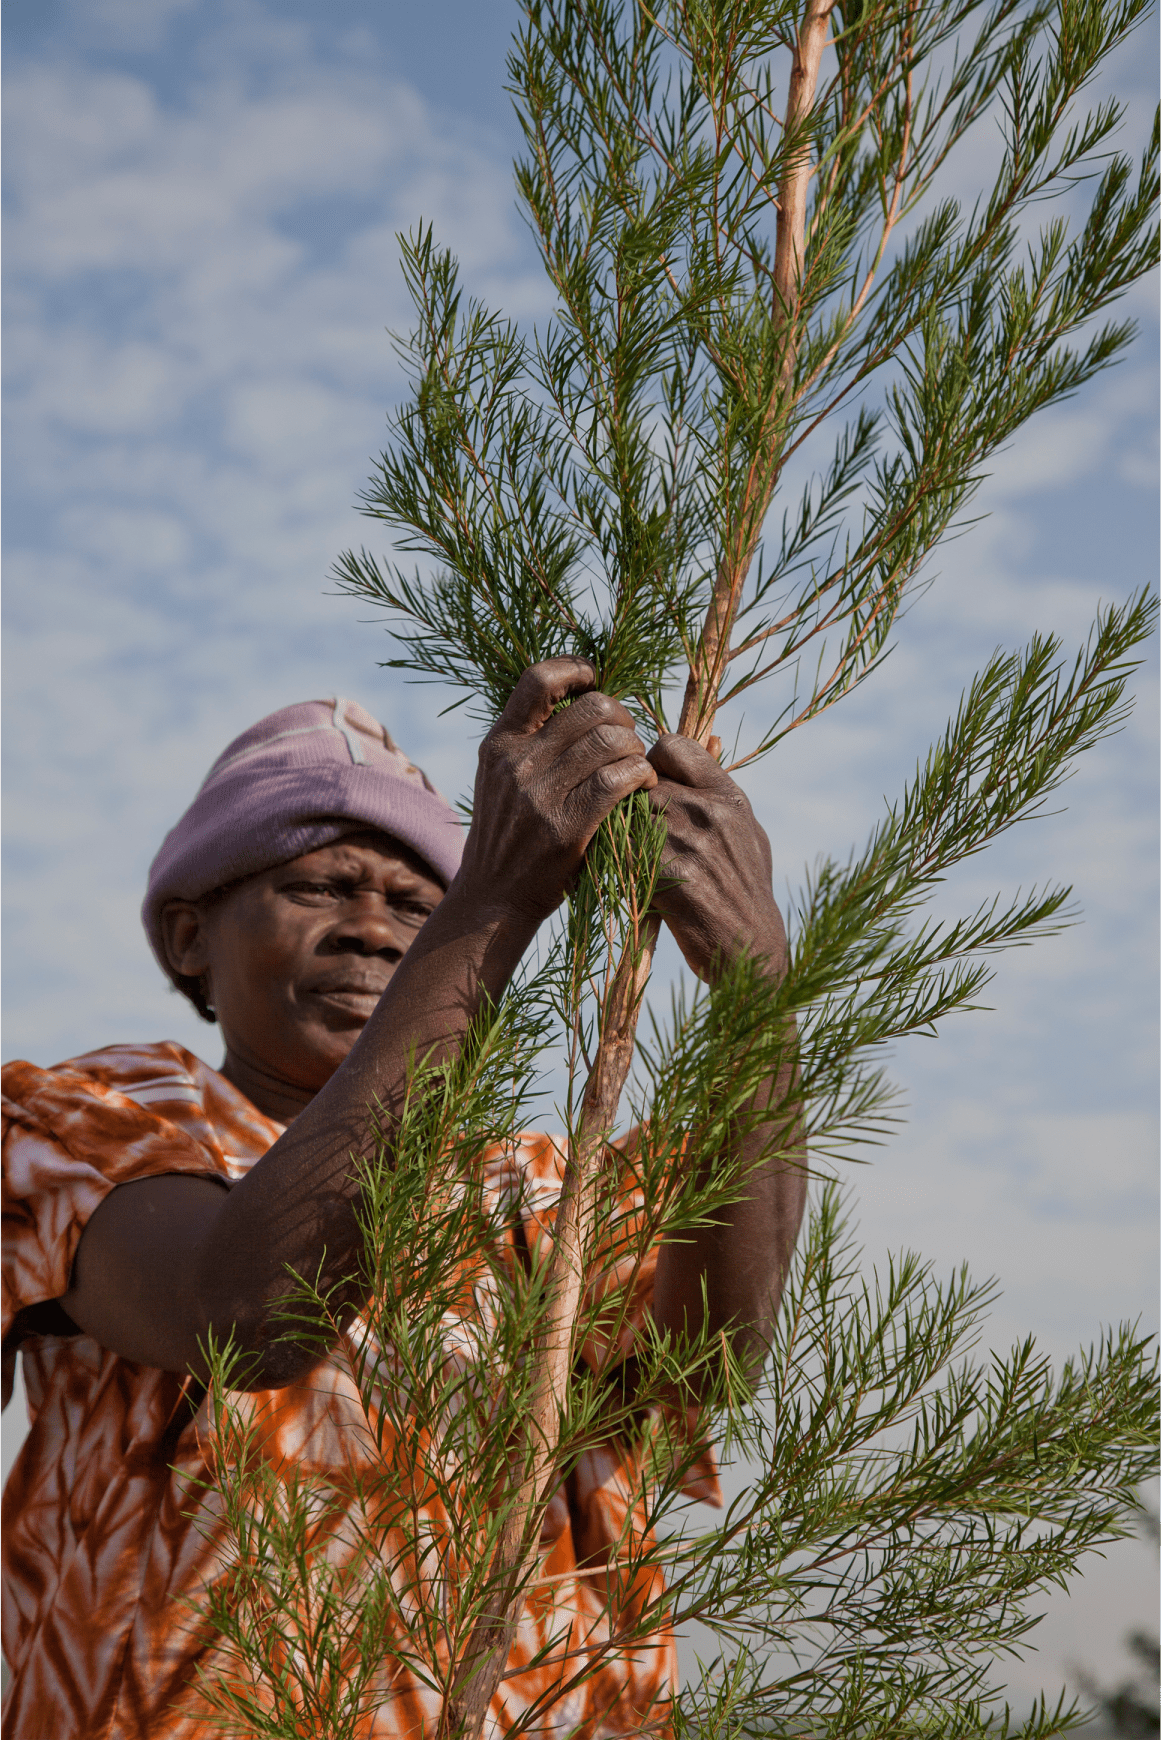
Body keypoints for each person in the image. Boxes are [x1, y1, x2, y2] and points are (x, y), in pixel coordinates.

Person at [1, 659, 805, 1739]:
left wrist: (759, 987)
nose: (373, 928)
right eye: (319, 885)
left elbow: (707, 1356)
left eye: (413, 904)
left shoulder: (532, 1192)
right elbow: (245, 1310)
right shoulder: (87, 1119)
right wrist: (490, 900)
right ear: (190, 935)